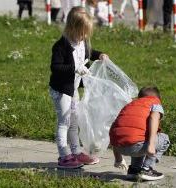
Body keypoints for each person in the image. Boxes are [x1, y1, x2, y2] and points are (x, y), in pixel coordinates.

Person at [49, 7, 109, 169]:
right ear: (72, 28)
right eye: (81, 33)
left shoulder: (81, 42)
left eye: (86, 34)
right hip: (61, 90)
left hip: (72, 89)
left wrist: (100, 54)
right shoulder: (61, 46)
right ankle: (63, 155)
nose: (84, 37)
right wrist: (74, 68)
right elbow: (56, 67)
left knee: (74, 121)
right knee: (64, 122)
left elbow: (89, 52)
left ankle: (75, 152)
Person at [109, 86, 170, 181]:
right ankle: (146, 169)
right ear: (158, 98)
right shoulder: (155, 103)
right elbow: (154, 118)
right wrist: (151, 145)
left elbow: (115, 129)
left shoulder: (129, 105)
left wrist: (118, 158)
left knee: (138, 136)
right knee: (164, 139)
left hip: (119, 147)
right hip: (136, 146)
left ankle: (134, 170)